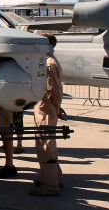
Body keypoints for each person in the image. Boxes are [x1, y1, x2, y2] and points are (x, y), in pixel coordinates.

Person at [30, 33, 64, 196]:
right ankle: (53, 177)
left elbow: (55, 90)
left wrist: (55, 108)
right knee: (47, 145)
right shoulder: (49, 61)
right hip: (46, 108)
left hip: (46, 110)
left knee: (46, 147)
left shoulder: (49, 63)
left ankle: (50, 186)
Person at [0, 104, 17, 178]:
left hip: (2, 103)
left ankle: (9, 166)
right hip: (0, 103)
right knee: (4, 131)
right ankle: (8, 165)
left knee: (5, 131)